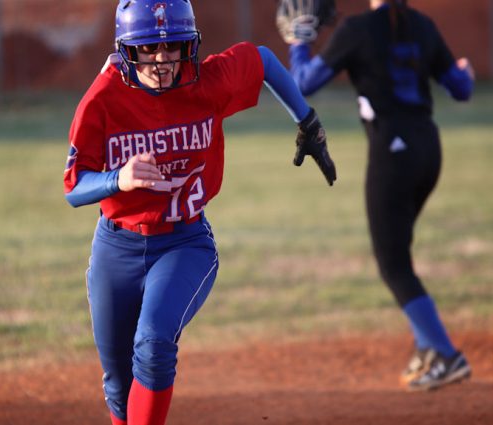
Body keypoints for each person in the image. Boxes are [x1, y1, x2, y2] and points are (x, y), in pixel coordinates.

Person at [64, 1, 336, 424]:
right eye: (148, 48)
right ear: (125, 50)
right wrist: (118, 178)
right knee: (118, 382)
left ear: (188, 45)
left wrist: (308, 120)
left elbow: (262, 60)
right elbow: (74, 188)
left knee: (153, 345)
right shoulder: (103, 99)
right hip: (115, 247)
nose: (161, 59)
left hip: (183, 242)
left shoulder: (205, 82)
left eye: (172, 46)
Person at [281, 0, 474, 391]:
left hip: (393, 155)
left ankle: (446, 354)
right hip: (429, 152)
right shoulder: (422, 24)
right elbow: (461, 88)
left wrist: (299, 42)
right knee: (399, 251)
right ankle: (427, 347)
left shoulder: (358, 29)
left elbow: (302, 83)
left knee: (393, 264)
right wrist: (465, 72)